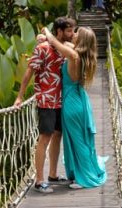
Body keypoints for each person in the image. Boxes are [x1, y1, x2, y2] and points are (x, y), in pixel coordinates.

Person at [14, 17, 76, 193]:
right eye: (69, 31)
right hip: (46, 99)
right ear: (59, 31)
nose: (72, 34)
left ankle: (53, 174)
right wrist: (20, 96)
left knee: (57, 135)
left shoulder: (64, 50)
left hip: (62, 100)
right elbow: (29, 72)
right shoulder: (42, 49)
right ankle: (39, 180)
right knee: (45, 137)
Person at [42, 25, 107, 189]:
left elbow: (55, 42)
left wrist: (46, 32)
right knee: (78, 139)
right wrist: (43, 39)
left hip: (71, 103)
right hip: (79, 100)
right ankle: (78, 173)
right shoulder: (78, 53)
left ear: (82, 39)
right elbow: (58, 44)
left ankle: (83, 178)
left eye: (78, 33)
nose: (74, 34)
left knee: (78, 141)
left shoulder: (73, 55)